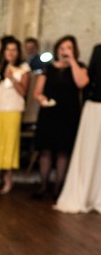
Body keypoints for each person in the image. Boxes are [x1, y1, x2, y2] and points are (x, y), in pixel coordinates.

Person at [32, 35, 88, 199]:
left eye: (69, 48)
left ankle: (58, 187)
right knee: (45, 150)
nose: (65, 51)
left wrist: (72, 62)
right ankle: (43, 185)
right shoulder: (48, 68)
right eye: (62, 48)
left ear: (74, 50)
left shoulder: (80, 66)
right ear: (57, 50)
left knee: (64, 151)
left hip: (69, 114)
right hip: (49, 113)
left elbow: (82, 83)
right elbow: (37, 91)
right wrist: (41, 99)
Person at [55, 43, 101, 214]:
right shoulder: (98, 50)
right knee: (90, 154)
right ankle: (88, 192)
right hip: (96, 108)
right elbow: (86, 82)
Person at [0, 36, 30, 195]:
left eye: (14, 49)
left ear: (18, 52)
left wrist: (12, 78)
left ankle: (8, 178)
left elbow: (24, 92)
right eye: (8, 49)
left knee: (9, 145)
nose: (11, 53)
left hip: (13, 110)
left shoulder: (23, 68)